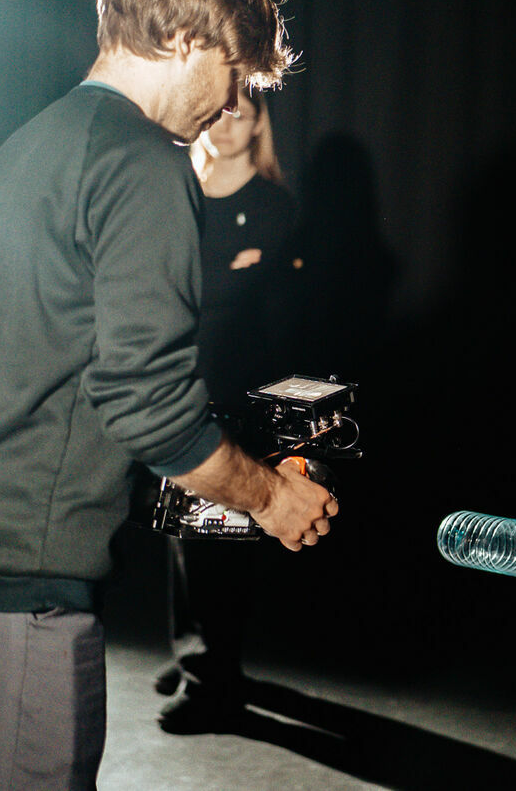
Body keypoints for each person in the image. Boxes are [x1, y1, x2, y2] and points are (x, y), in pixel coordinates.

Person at [0, 0, 335, 787]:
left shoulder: (30, 144)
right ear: (189, 40)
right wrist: (273, 497)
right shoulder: (143, 162)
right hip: (9, 583)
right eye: (235, 71)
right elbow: (149, 409)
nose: (232, 102)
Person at [155, 87, 299, 732]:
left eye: (245, 110)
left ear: (262, 122)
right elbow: (168, 280)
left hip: (239, 383)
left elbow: (239, 291)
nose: (230, 120)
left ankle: (215, 678)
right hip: (176, 376)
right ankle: (195, 654)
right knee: (179, 529)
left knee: (216, 533)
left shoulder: (272, 202)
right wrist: (226, 271)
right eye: (221, 107)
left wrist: (208, 275)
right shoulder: (177, 191)